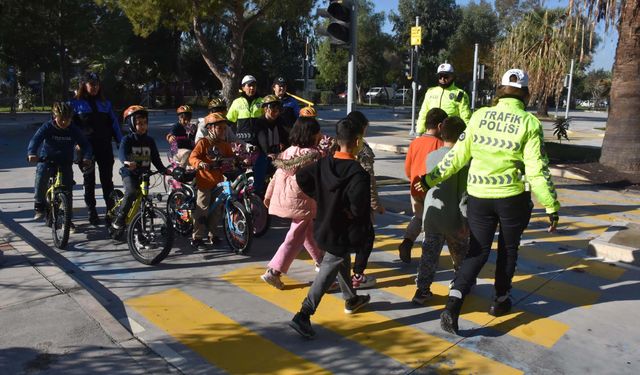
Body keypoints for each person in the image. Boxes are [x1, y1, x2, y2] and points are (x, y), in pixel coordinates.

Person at [415, 69, 560, 334]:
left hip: (479, 197)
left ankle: (453, 303)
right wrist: (551, 205)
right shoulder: (529, 123)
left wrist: (429, 180)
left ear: (500, 91)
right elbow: (537, 169)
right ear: (526, 94)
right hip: (511, 198)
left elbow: (455, 156)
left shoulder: (480, 116)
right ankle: (501, 300)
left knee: (477, 251)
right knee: (508, 249)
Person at [288, 118, 372, 339]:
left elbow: (301, 176)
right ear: (357, 141)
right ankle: (304, 313)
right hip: (341, 230)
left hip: (323, 225)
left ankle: (351, 299)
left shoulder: (324, 164)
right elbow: (359, 207)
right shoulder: (357, 173)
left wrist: (320, 196)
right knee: (329, 267)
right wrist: (351, 213)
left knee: (341, 259)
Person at [261, 117, 326, 289]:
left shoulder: (289, 151)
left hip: (288, 198)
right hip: (302, 200)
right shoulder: (311, 155)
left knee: (306, 232)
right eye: (318, 132)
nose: (320, 134)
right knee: (295, 236)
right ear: (311, 134)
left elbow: (277, 175)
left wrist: (268, 196)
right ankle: (274, 271)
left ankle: (321, 262)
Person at [412, 116, 469, 305]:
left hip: (432, 214)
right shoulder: (463, 161)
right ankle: (459, 286)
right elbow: (463, 194)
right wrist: (465, 221)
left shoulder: (431, 157)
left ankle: (422, 291)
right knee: (460, 256)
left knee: (429, 256)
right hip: (453, 218)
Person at [28, 102, 93, 227]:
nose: (64, 122)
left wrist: (87, 157)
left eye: (67, 119)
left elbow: (85, 144)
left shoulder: (73, 129)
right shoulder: (47, 127)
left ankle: (67, 218)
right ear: (54, 116)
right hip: (47, 159)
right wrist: (31, 153)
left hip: (65, 161)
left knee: (67, 189)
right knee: (41, 176)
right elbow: (35, 140)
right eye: (61, 119)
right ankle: (39, 205)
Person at [70, 71, 123, 225]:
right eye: (91, 84)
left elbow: (114, 124)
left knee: (107, 180)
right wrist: (75, 143)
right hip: (86, 148)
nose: (95, 87)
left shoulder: (106, 104)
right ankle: (92, 211)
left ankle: (110, 211)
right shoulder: (74, 104)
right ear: (84, 85)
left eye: (97, 84)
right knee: (89, 180)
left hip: (104, 146)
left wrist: (121, 142)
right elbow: (69, 126)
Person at [398, 108, 446, 263]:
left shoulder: (415, 143)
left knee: (418, 217)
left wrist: (412, 179)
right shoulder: (441, 144)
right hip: (433, 190)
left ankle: (407, 242)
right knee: (432, 224)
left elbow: (407, 168)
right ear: (440, 126)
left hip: (415, 187)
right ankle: (428, 255)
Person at [111, 105, 168, 234]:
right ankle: (120, 217)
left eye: (144, 123)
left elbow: (156, 158)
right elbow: (122, 153)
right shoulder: (127, 139)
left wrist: (164, 170)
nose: (142, 126)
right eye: (138, 124)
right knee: (131, 192)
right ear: (131, 125)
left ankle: (139, 230)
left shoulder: (149, 140)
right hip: (129, 173)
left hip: (144, 175)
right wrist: (126, 162)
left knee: (143, 201)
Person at [346, 110, 384, 289]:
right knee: (366, 238)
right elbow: (369, 178)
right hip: (358, 202)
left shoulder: (337, 144)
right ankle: (357, 276)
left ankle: (336, 275)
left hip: (339, 200)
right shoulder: (362, 149)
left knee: (341, 240)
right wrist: (375, 203)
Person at [188, 113, 234, 250]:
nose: (223, 131)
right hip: (204, 182)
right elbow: (192, 157)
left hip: (218, 182)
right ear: (210, 129)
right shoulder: (203, 143)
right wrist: (200, 163)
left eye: (224, 128)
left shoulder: (225, 145)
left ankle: (213, 235)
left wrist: (239, 160)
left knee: (216, 211)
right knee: (202, 209)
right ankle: (197, 237)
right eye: (219, 128)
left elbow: (231, 157)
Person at [416, 63, 471, 135]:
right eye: (440, 76)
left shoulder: (459, 94)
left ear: (452, 76)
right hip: (432, 133)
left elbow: (465, 116)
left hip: (450, 135)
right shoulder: (431, 92)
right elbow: (423, 113)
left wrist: (467, 135)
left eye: (446, 76)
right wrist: (419, 133)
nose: (442, 79)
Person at [252, 95, 287, 195]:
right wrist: (268, 152)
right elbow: (262, 138)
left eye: (277, 109)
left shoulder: (280, 120)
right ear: (265, 109)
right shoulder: (260, 122)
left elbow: (288, 133)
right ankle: (257, 192)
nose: (275, 112)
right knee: (262, 163)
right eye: (272, 108)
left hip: (277, 154)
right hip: (262, 154)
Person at [227, 75, 263, 144]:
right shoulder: (236, 102)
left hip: (259, 140)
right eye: (249, 85)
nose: (252, 88)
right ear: (243, 88)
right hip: (242, 141)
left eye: (254, 85)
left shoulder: (262, 101)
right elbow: (229, 121)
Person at [272, 76, 300, 141]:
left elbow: (298, 118)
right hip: (273, 136)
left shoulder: (292, 101)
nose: (282, 88)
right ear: (274, 87)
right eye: (280, 86)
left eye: (284, 86)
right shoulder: (268, 101)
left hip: (288, 136)